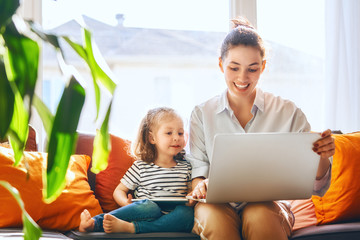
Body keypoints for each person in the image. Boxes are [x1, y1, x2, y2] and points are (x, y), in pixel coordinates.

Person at [185, 17, 335, 240]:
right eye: (234, 68)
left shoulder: (288, 112)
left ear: (263, 66)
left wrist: (322, 156)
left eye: (252, 69)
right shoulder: (201, 114)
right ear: (220, 65)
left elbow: (316, 185)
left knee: (259, 213)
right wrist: (201, 186)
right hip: (217, 205)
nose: (242, 78)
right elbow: (198, 174)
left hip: (269, 207)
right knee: (212, 215)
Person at [79, 107, 194, 234]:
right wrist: (124, 203)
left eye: (180, 133)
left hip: (171, 219)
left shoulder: (186, 167)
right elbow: (119, 191)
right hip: (146, 212)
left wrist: (190, 197)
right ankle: (94, 223)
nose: (176, 138)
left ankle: (133, 228)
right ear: (152, 138)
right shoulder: (141, 166)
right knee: (150, 207)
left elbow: (190, 192)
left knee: (187, 213)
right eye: (169, 133)